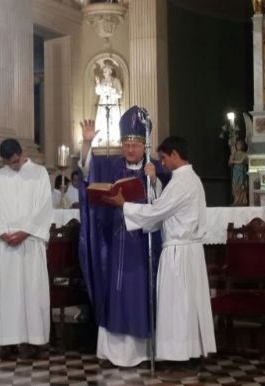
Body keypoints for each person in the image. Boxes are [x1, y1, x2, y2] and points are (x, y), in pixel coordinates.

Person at [104, 136, 216, 376]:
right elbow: (163, 209)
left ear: (174, 154)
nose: (163, 163)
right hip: (187, 250)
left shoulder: (183, 182)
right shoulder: (187, 179)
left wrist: (123, 205)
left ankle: (181, 359)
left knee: (178, 307)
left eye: (164, 158)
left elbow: (157, 211)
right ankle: (190, 355)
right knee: (187, 306)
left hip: (179, 252)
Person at [78, 107, 170, 367]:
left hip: (143, 244)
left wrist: (153, 181)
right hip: (115, 242)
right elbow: (87, 172)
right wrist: (86, 143)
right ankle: (112, 353)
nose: (130, 150)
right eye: (126, 144)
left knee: (140, 293)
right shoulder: (111, 165)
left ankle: (141, 353)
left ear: (144, 145)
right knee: (115, 293)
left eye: (136, 144)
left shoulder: (156, 168)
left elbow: (162, 203)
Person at [0, 139, 53, 360]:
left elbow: (44, 205)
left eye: (15, 161)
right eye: (9, 163)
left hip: (30, 241)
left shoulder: (39, 173)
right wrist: (2, 232)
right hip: (5, 243)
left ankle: (34, 342)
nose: (13, 166)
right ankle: (7, 342)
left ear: (21, 152)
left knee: (32, 292)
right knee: (6, 293)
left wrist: (25, 232)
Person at [93, 62, 123, 148]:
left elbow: (120, 93)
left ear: (110, 71)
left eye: (105, 71)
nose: (104, 73)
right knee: (103, 120)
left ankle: (114, 138)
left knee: (113, 120)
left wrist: (112, 90)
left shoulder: (116, 81)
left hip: (113, 104)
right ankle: (102, 138)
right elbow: (98, 92)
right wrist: (98, 83)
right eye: (103, 72)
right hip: (103, 105)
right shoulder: (102, 81)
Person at [229, 139, 249, 206]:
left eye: (239, 144)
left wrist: (234, 161)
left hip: (242, 170)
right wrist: (231, 156)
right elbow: (229, 163)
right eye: (237, 144)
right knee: (235, 184)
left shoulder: (245, 154)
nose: (238, 146)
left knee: (242, 184)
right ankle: (236, 200)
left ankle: (243, 200)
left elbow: (241, 161)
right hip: (235, 171)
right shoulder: (234, 154)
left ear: (242, 145)